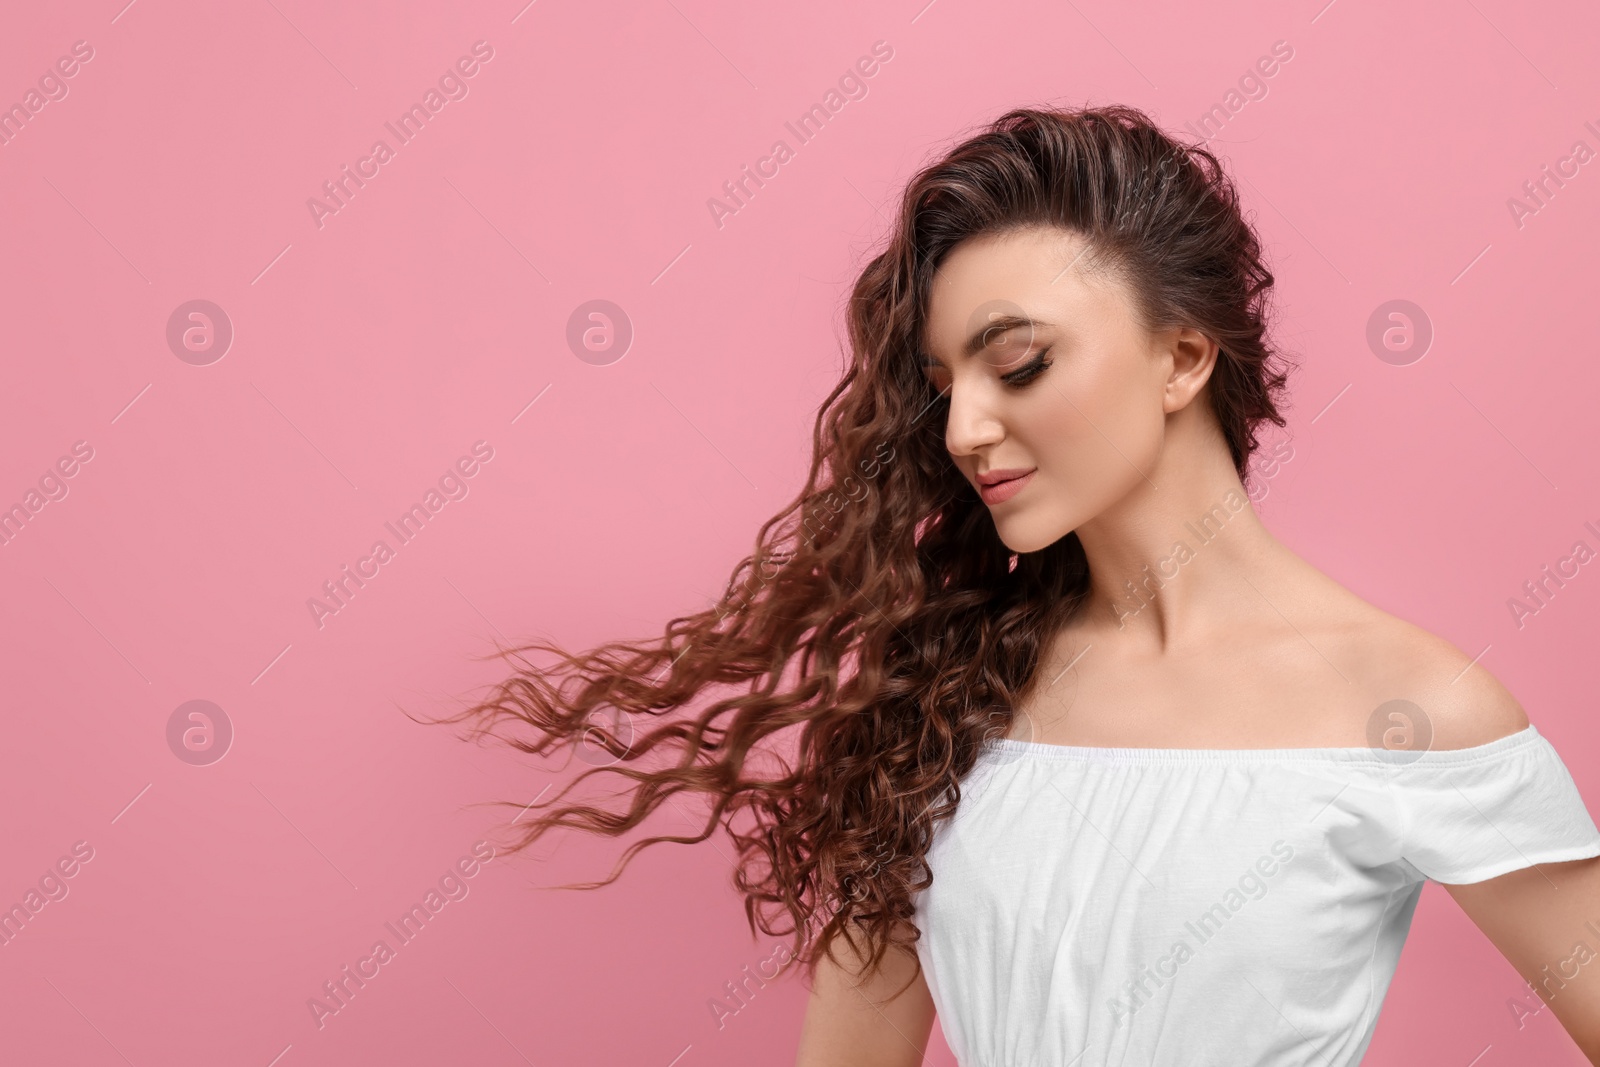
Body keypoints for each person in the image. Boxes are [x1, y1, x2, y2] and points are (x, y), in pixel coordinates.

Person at [441, 104, 1600, 1064]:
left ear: (1185, 355)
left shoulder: (1409, 709)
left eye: (1018, 363)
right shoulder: (944, 697)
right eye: (943, 381)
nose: (964, 426)